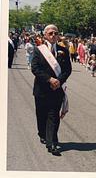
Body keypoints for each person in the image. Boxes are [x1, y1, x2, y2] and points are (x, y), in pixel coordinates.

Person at [31, 24, 72, 155]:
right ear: (45, 35)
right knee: (41, 115)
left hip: (57, 89)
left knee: (54, 115)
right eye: (50, 33)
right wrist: (49, 79)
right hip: (42, 88)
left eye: (55, 33)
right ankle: (42, 134)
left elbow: (67, 70)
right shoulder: (38, 50)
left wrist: (58, 81)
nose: (53, 35)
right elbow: (35, 69)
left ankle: (52, 143)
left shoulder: (64, 51)